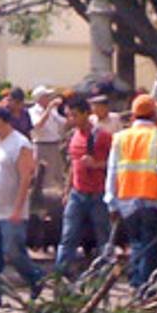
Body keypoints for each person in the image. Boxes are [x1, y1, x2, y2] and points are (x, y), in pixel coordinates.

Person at [105, 94, 157, 298]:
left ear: (133, 115)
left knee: (137, 245)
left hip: (127, 201)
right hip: (153, 200)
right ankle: (145, 290)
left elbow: (112, 171)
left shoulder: (120, 138)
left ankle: (137, 285)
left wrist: (111, 203)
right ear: (154, 114)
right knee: (154, 249)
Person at [0, 105, 45, 306]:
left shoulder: (21, 144)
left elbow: (26, 178)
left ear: (1, 122)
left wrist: (18, 208)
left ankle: (35, 278)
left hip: (11, 210)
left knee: (14, 251)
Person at [56, 99, 112, 277]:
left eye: (74, 115)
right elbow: (73, 165)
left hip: (98, 193)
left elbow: (115, 163)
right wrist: (67, 189)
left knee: (103, 236)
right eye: (69, 115)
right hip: (77, 192)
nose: (71, 119)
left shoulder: (102, 136)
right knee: (68, 235)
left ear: (87, 114)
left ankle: (105, 273)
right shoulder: (74, 136)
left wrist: (97, 164)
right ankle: (61, 274)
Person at [29, 86, 69, 189]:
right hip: (41, 145)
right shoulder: (33, 111)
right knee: (41, 174)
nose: (49, 98)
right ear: (40, 98)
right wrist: (49, 109)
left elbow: (63, 122)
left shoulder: (52, 110)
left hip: (55, 145)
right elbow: (37, 125)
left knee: (58, 174)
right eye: (47, 96)